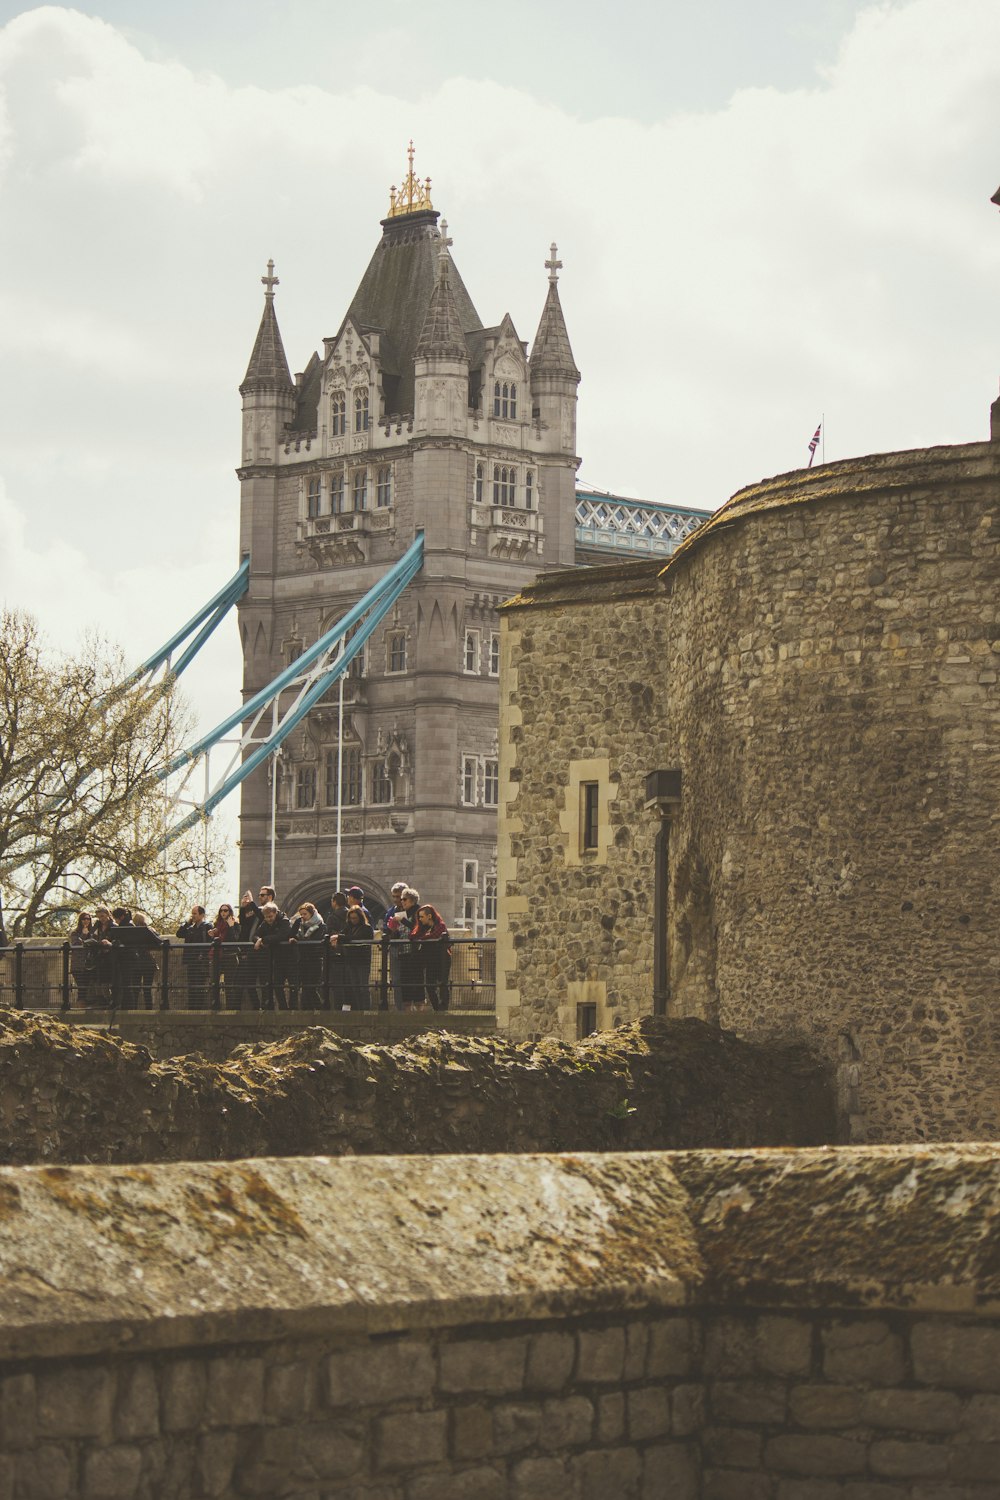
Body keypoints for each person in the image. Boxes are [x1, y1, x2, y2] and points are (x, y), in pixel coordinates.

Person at [332, 904, 374, 1010]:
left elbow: (355, 938)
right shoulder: (349, 928)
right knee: (355, 987)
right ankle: (359, 1009)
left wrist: (339, 937)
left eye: (355, 918)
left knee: (363, 987)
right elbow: (343, 935)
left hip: (362, 962)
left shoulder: (367, 928)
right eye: (351, 918)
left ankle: (366, 1009)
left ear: (360, 917)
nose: (353, 920)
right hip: (351, 961)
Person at [252, 901, 293, 1009]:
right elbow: (255, 935)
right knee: (277, 984)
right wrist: (258, 939)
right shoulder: (265, 923)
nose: (269, 919)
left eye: (270, 916)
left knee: (293, 985)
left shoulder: (284, 921)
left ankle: (293, 1009)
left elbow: (282, 936)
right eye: (266, 917)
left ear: (275, 913)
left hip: (290, 958)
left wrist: (263, 940)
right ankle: (283, 1009)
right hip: (277, 958)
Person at [410, 903, 451, 1011]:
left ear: (429, 916)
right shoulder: (423, 927)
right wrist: (419, 935)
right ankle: (437, 1008)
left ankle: (444, 1007)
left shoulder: (440, 925)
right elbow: (412, 935)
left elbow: (435, 935)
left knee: (443, 983)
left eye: (422, 917)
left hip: (442, 958)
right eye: (419, 917)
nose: (420, 919)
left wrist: (422, 938)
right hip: (431, 959)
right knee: (429, 985)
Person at [388, 886, 422, 1010]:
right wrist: (393, 929)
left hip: (415, 953)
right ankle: (406, 1014)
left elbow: (417, 929)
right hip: (403, 952)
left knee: (417, 984)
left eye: (404, 899)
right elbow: (399, 933)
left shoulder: (419, 912)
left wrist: (403, 920)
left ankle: (419, 1014)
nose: (401, 901)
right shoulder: (401, 913)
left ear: (412, 900)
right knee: (405, 985)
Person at [290, 901, 326, 1008]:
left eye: (305, 914)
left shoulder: (321, 925)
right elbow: (292, 934)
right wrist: (296, 923)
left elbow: (316, 940)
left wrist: (300, 941)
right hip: (303, 960)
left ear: (312, 913)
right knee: (304, 987)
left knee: (311, 987)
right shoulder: (301, 926)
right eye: (301, 914)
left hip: (314, 960)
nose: (303, 917)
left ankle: (320, 1009)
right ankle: (307, 1011)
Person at [176, 905, 212, 1009]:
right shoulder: (190, 928)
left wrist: (202, 955)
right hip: (191, 962)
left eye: (195, 913)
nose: (193, 916)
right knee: (191, 986)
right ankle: (192, 1008)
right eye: (192, 913)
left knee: (199, 986)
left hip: (201, 962)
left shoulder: (207, 926)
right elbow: (179, 934)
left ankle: (199, 1008)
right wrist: (187, 922)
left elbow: (209, 943)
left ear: (202, 915)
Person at [382, 882, 408, 1012]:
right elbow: (385, 929)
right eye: (394, 896)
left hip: (410, 950)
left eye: (399, 897)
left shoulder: (414, 910)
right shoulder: (391, 912)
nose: (396, 900)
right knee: (396, 980)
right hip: (395, 949)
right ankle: (400, 1009)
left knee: (411, 980)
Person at [209, 903, 241, 1009]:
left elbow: (235, 939)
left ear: (230, 911)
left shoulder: (235, 923)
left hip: (230, 956)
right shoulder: (217, 924)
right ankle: (215, 1007)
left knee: (229, 984)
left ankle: (230, 1009)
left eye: (226, 910)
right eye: (221, 910)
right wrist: (212, 934)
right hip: (217, 956)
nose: (223, 912)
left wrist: (231, 926)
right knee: (214, 983)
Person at [131, 912, 161, 1009]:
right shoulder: (149, 930)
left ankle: (134, 1009)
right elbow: (158, 939)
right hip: (148, 962)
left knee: (135, 988)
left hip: (136, 962)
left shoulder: (132, 931)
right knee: (147, 988)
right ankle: (149, 1009)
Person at [325, 892, 349, 1008]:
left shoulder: (332, 917)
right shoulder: (351, 914)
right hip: (350, 954)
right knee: (349, 983)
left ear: (334, 902)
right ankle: (348, 1009)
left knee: (337, 984)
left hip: (335, 954)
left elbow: (328, 933)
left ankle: (339, 1009)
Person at [69, 912, 97, 1006]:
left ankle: (86, 1006)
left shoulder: (93, 932)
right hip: (78, 966)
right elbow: (76, 945)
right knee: (82, 987)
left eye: (88, 919)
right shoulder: (75, 933)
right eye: (84, 919)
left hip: (90, 965)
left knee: (88, 988)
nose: (86, 921)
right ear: (80, 920)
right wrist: (83, 935)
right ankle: (80, 1007)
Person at [92, 907, 117, 1002]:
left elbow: (117, 940)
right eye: (99, 917)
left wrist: (109, 944)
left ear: (107, 914)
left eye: (102, 916)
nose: (101, 919)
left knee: (109, 981)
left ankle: (112, 1001)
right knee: (101, 982)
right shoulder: (97, 926)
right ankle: (106, 1001)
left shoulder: (113, 926)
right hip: (100, 957)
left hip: (110, 957)